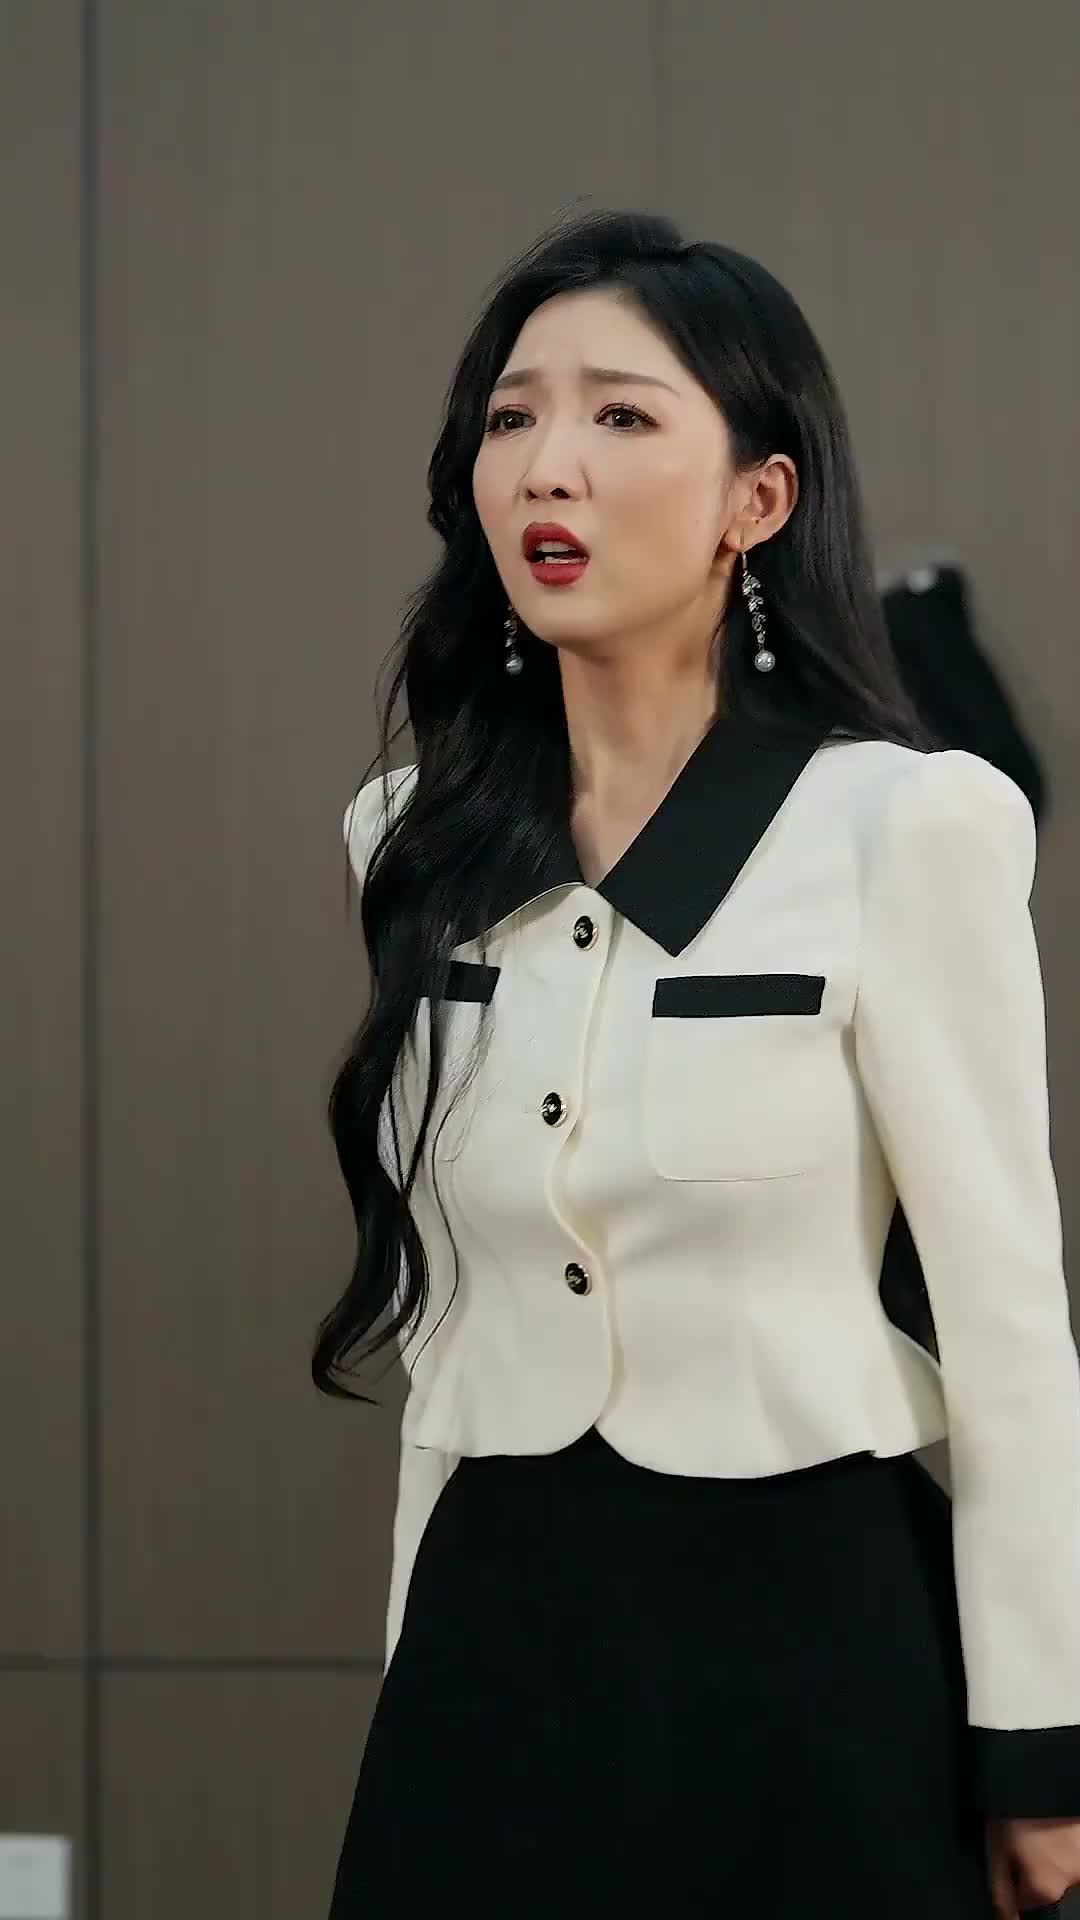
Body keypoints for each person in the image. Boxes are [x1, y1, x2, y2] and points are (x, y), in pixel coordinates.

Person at [314, 208, 1080, 1918]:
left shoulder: (906, 827)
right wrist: (414, 1672)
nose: (547, 466)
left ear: (760, 500)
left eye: (620, 414)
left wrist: (1038, 1745)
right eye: (511, 417)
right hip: (493, 1664)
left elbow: (1009, 1326)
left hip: (814, 1661)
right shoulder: (413, 841)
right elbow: (450, 1334)